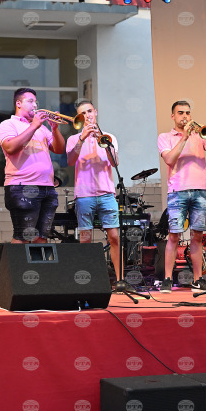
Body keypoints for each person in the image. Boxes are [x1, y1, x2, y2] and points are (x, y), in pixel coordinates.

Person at [157, 101, 206, 293]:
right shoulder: (165, 137)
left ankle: (197, 280)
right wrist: (184, 137)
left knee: (197, 236)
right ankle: (167, 279)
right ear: (173, 116)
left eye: (187, 113)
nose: (184, 116)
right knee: (174, 235)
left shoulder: (199, 136)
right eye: (180, 113)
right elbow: (169, 159)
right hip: (177, 191)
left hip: (199, 190)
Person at [0, 88, 65, 243]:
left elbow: (59, 149)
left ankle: (39, 261)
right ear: (18, 103)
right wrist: (34, 126)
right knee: (22, 237)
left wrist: (55, 129)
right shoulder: (8, 124)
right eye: (30, 101)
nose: (35, 105)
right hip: (22, 186)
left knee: (42, 238)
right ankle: (16, 261)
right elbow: (10, 147)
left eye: (36, 102)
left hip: (47, 187)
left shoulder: (42, 128)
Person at [65, 101, 121, 282]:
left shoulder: (109, 137)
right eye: (83, 114)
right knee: (85, 238)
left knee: (114, 237)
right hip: (84, 194)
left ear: (95, 112)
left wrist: (101, 139)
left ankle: (119, 279)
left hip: (107, 193)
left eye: (89, 111)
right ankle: (87, 280)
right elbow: (70, 161)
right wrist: (82, 138)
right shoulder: (73, 139)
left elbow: (115, 163)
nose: (87, 116)